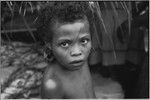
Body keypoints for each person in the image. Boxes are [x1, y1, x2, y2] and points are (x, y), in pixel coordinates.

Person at [37, 2, 96, 99]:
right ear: (49, 44)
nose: (77, 52)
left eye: (84, 41)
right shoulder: (52, 84)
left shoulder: (81, 62)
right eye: (64, 44)